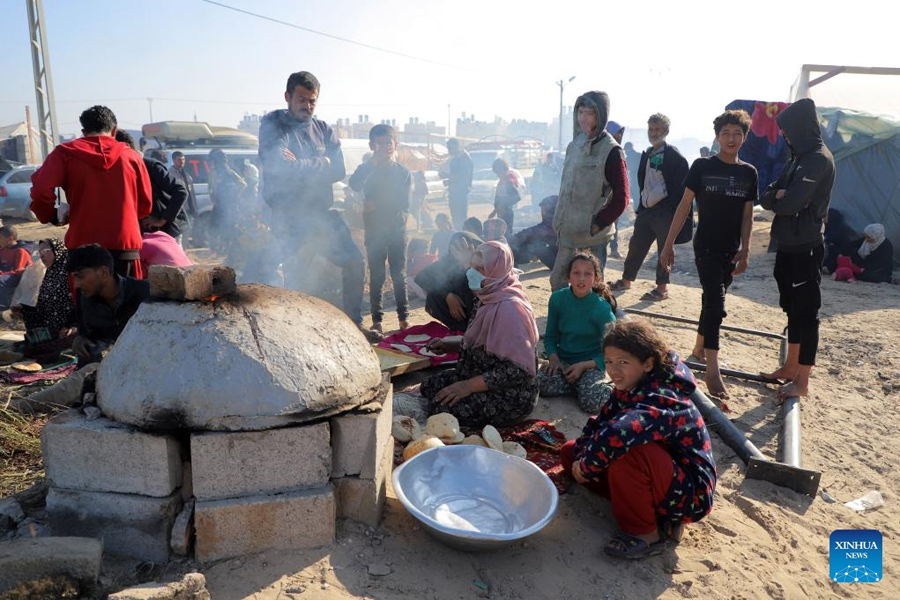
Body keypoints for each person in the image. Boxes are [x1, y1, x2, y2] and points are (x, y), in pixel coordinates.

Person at [561, 319, 716, 559]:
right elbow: (600, 422)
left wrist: (588, 465)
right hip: (659, 475)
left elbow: (618, 433)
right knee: (571, 452)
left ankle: (646, 535)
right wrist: (582, 457)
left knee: (626, 453)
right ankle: (652, 512)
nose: (614, 370)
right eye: (610, 362)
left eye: (623, 362)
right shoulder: (629, 386)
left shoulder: (664, 395)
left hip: (689, 492)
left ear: (647, 364)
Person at [258, 71, 370, 335]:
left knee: (354, 262)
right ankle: (299, 334)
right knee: (298, 278)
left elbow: (340, 169)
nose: (307, 106)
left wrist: (299, 163)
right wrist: (322, 163)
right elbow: (279, 167)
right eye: (301, 99)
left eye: (312, 101)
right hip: (290, 217)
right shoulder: (274, 124)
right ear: (288, 97)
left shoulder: (323, 129)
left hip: (322, 214)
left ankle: (355, 324)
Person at [660, 110, 757, 399]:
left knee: (713, 301)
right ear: (717, 136)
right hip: (705, 246)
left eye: (737, 134)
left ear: (744, 137)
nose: (731, 138)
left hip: (731, 249)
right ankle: (713, 370)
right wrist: (668, 245)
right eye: (726, 133)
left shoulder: (748, 172)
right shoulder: (702, 166)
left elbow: (748, 216)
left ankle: (698, 349)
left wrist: (746, 249)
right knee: (716, 302)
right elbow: (683, 206)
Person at [759, 98, 835, 398]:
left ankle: (802, 382)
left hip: (806, 247)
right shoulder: (798, 157)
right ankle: (790, 368)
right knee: (791, 309)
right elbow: (766, 194)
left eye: (789, 131)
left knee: (807, 314)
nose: (786, 137)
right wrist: (777, 197)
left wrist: (778, 199)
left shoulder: (818, 159)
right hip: (788, 245)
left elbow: (788, 202)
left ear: (803, 129)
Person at [421, 241, 540, 427]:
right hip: (480, 373)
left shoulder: (511, 310)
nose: (472, 272)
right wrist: (450, 344)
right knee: (429, 386)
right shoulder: (487, 295)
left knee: (441, 407)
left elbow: (519, 371)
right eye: (472, 266)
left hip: (510, 391)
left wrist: (467, 386)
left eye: (480, 268)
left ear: (496, 269)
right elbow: (484, 342)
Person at [30, 105, 152, 278]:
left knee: (87, 304)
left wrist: (50, 215)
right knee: (126, 303)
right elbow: (145, 206)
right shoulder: (132, 157)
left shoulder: (64, 153)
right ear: (114, 130)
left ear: (83, 131)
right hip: (125, 247)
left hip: (83, 246)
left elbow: (41, 189)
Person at [551, 91, 629, 289]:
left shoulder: (611, 150)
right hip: (568, 232)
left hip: (593, 237)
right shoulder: (573, 146)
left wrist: (599, 223)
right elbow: (565, 188)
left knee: (590, 289)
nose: (583, 118)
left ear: (600, 117)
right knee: (558, 283)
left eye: (589, 114)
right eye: (580, 112)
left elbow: (622, 198)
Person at [611, 113, 690, 301]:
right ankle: (626, 280)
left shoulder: (674, 156)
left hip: (665, 212)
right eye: (651, 129)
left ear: (666, 132)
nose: (654, 133)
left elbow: (681, 188)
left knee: (665, 249)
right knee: (636, 245)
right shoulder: (648, 153)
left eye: (658, 130)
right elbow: (642, 180)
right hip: (647, 210)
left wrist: (671, 210)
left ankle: (662, 289)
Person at [349, 123, 412, 334]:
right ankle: (377, 320)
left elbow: (404, 204)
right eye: (379, 143)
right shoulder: (367, 169)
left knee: (399, 275)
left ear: (396, 144)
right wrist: (371, 164)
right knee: (376, 276)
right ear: (371, 145)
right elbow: (353, 184)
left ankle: (404, 319)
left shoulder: (403, 173)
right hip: (374, 232)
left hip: (396, 231)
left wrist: (376, 206)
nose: (384, 147)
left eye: (388, 142)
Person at [539, 252, 617, 413]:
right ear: (568, 277)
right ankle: (579, 386)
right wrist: (554, 359)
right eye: (576, 273)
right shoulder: (557, 299)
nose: (581, 278)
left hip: (591, 364)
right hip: (564, 362)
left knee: (591, 403)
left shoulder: (602, 309)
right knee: (538, 384)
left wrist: (583, 366)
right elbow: (551, 336)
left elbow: (612, 351)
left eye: (587, 274)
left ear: (596, 278)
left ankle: (597, 387)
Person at [67, 244, 150, 366]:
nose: (76, 285)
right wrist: (82, 338)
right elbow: (88, 333)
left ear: (103, 272)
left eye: (80, 276)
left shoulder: (143, 293)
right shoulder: (85, 297)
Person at [115, 131, 190, 244]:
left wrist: (162, 220)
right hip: (139, 234)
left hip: (162, 233)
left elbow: (180, 191)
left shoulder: (151, 167)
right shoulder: (118, 170)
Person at [19, 239, 75, 360]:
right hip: (51, 327)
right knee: (30, 348)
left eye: (45, 251)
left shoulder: (71, 273)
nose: (42, 255)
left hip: (69, 328)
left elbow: (80, 304)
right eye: (39, 253)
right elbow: (42, 307)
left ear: (57, 251)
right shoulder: (50, 273)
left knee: (45, 353)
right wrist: (23, 309)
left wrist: (70, 325)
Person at [414, 231, 482, 331]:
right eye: (455, 248)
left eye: (463, 247)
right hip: (466, 312)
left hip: (487, 315)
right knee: (436, 290)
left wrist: (468, 264)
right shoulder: (451, 259)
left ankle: (473, 328)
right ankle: (460, 327)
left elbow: (485, 291)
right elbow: (421, 276)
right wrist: (448, 295)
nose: (458, 253)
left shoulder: (487, 257)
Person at [511, 194, 559, 269]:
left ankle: (510, 261)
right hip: (561, 259)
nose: (542, 212)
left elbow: (531, 233)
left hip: (558, 263)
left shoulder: (552, 223)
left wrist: (510, 240)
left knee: (534, 244)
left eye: (543, 209)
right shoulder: (562, 221)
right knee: (533, 242)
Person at [168, 151, 200, 243]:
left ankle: (184, 252)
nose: (182, 161)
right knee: (178, 234)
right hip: (178, 209)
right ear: (174, 160)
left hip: (188, 208)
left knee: (187, 231)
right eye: (179, 159)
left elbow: (191, 192)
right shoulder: (170, 174)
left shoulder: (185, 173)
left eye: (183, 159)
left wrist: (194, 208)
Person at [442, 138, 474, 230]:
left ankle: (462, 237)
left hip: (460, 193)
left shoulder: (464, 159)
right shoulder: (455, 159)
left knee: (460, 218)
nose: (449, 151)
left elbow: (463, 177)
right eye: (448, 148)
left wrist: (447, 176)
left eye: (450, 148)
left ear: (457, 146)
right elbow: (456, 177)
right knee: (455, 217)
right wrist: (448, 181)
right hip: (454, 192)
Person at [605, 121, 626, 259]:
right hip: (603, 195)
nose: (620, 135)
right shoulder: (605, 150)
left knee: (615, 223)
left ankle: (614, 249)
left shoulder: (617, 150)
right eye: (617, 132)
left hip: (614, 194)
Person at [0, 226, 33, 308]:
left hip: (19, 277)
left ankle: (3, 307)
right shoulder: (3, 250)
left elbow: (19, 271)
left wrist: (2, 274)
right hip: (6, 274)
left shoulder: (21, 251)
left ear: (10, 239)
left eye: (0, 238)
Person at [489, 158, 521, 233]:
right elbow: (500, 199)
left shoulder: (508, 181)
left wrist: (504, 206)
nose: (497, 175)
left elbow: (516, 197)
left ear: (502, 170)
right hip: (501, 213)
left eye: (498, 173)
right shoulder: (503, 180)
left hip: (506, 214)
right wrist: (494, 212)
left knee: (506, 235)